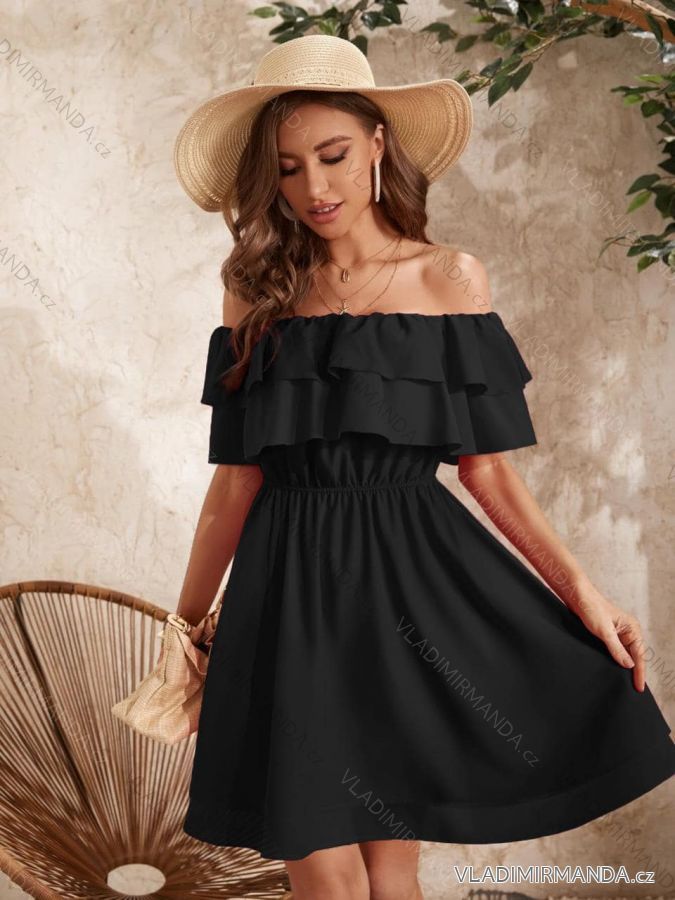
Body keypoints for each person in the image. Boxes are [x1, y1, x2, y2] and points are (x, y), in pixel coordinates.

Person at [171, 34, 675, 900]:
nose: (314, 187)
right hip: (286, 589)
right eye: (288, 169)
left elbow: (488, 473)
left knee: (390, 865)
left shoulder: (448, 278)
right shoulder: (255, 290)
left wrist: (582, 595)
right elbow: (235, 482)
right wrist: (182, 628)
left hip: (414, 584)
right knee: (322, 867)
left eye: (333, 155)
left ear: (377, 144)